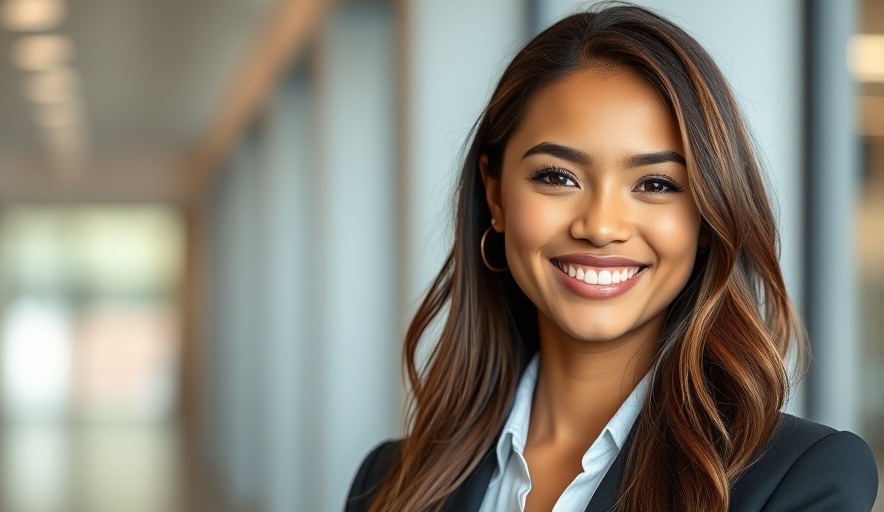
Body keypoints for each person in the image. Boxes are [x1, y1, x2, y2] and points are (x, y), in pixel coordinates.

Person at [345, 4, 879, 512]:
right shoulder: (389, 482)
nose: (600, 226)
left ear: (709, 217)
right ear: (496, 196)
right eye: (557, 176)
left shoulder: (798, 480)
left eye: (655, 183)